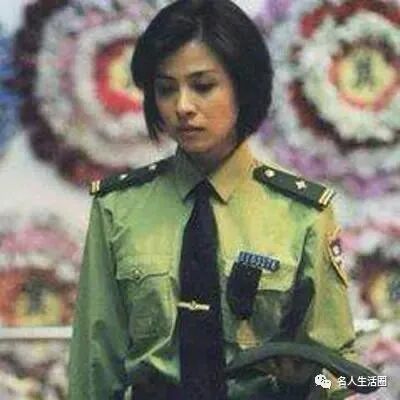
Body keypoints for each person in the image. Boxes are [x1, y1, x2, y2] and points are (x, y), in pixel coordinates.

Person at [68, 1, 358, 399]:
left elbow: (349, 379)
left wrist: (306, 382)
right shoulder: (118, 208)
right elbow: (93, 369)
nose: (182, 107)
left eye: (203, 86)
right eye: (165, 89)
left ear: (243, 86)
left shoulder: (304, 214)